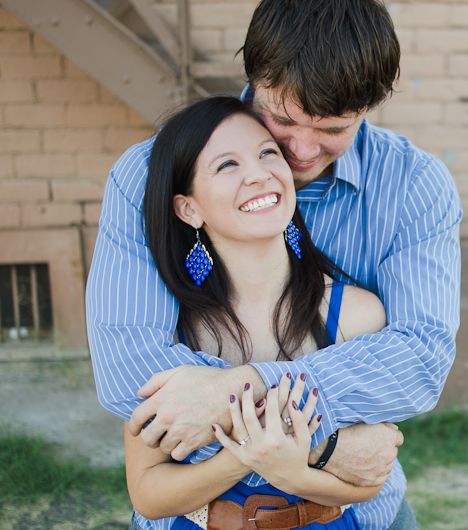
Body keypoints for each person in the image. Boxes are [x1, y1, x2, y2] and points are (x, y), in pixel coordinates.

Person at [86, 1, 462, 528]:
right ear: (254, 78)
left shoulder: (414, 187)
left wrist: (237, 387)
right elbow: (130, 379)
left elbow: (419, 360)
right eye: (282, 119)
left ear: (371, 106)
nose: (301, 151)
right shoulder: (148, 176)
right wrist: (327, 444)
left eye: (333, 127)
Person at [126, 96, 385, 529]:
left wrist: (292, 471)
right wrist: (244, 455)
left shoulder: (355, 316)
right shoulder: (171, 330)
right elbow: (148, 493)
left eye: (268, 153)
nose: (259, 174)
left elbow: (370, 478)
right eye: (227, 165)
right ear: (189, 208)